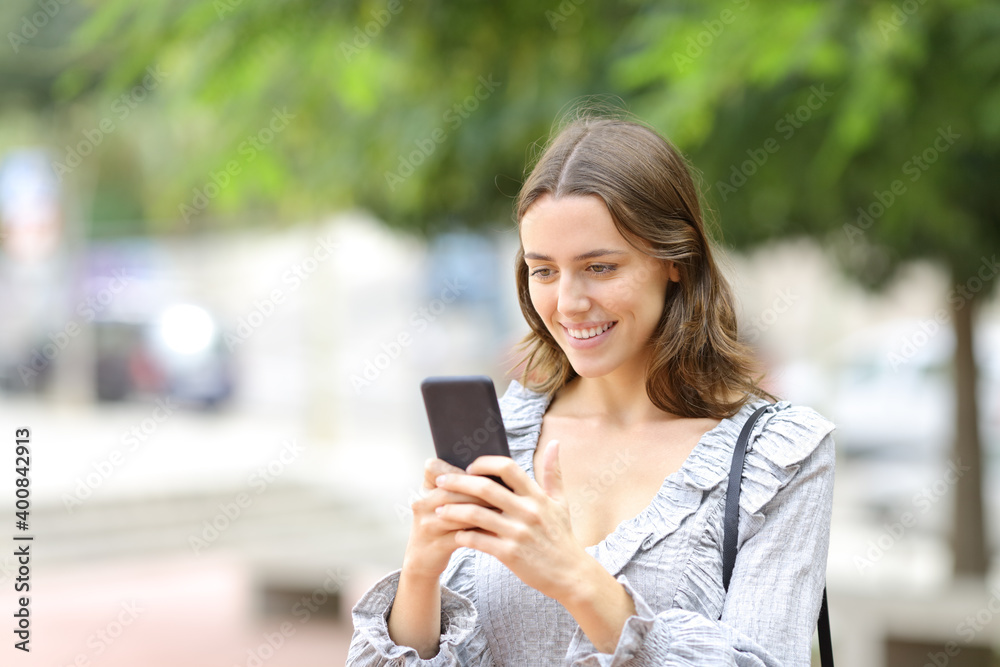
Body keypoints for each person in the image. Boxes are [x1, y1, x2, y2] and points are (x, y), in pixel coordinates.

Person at [348, 114, 835, 666]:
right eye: (544, 271)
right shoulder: (501, 435)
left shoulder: (780, 457)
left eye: (599, 267)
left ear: (675, 261)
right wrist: (421, 571)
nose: (569, 302)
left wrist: (575, 577)